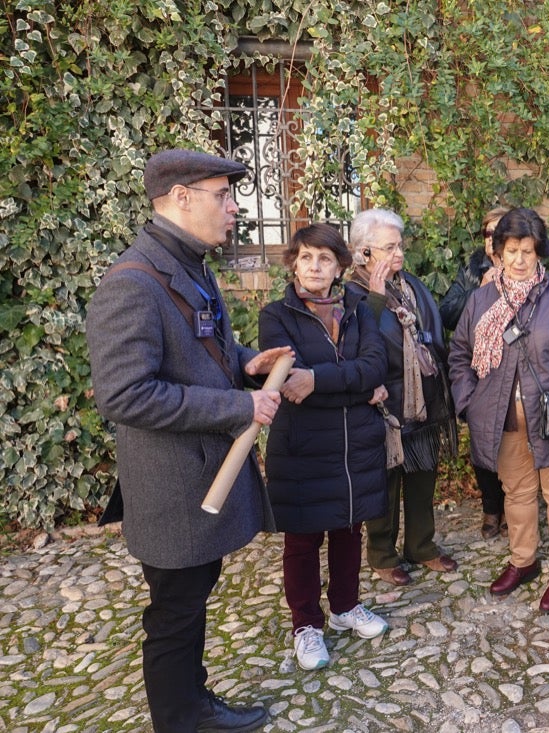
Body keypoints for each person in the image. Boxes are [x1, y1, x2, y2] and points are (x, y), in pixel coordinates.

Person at [86, 149, 288, 732]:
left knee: (190, 600)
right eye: (222, 196)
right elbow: (124, 395)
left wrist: (246, 364)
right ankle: (179, 719)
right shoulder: (131, 284)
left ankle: (192, 704)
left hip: (197, 481)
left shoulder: (189, 264)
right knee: (174, 614)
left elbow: (204, 350)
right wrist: (239, 405)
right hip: (173, 489)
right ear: (180, 198)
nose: (233, 208)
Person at [449, 208, 549, 614]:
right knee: (517, 493)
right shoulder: (481, 300)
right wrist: (470, 403)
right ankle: (523, 561)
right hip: (502, 417)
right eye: (511, 250)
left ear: (540, 251)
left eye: (528, 250)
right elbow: (460, 355)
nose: (520, 260)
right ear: (498, 252)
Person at [258, 223, 390, 671]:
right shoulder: (275, 316)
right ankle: (306, 625)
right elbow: (291, 385)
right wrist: (357, 389)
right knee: (303, 538)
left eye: (325, 259)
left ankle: (345, 606)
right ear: (294, 264)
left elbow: (375, 366)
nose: (315, 266)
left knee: (349, 528)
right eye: (307, 257)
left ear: (339, 267)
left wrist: (319, 379)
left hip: (355, 446)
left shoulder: (358, 309)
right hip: (304, 446)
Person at [346, 209, 458, 587]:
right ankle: (382, 553)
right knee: (386, 483)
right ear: (364, 252)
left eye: (399, 245)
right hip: (384, 403)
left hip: (421, 399)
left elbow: (433, 331)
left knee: (423, 475)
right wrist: (377, 297)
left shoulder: (410, 285)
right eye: (389, 247)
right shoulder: (353, 292)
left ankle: (421, 545)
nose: (399, 253)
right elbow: (357, 341)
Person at [439, 206, 510, 539]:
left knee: (513, 444)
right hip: (480, 372)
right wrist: (478, 289)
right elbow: (447, 314)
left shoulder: (524, 266)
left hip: (513, 370)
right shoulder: (472, 269)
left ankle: (514, 506)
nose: (492, 239)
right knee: (483, 444)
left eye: (500, 231)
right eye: (488, 233)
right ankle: (491, 509)